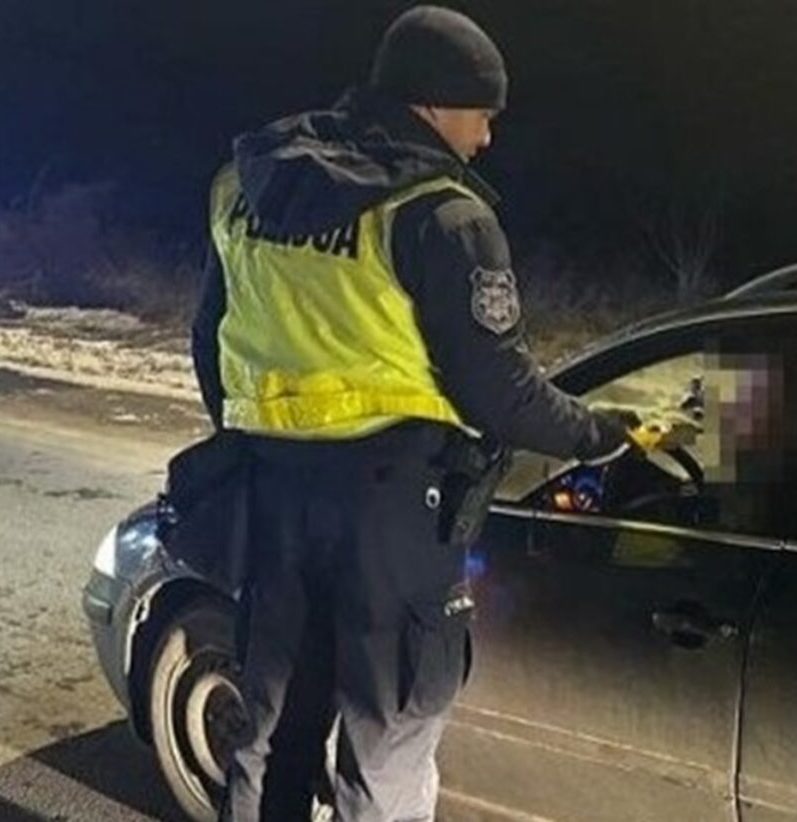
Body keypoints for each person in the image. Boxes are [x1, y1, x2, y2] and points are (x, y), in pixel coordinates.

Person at [190, 6, 638, 821]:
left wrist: (258, 435)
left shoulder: (245, 185)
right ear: (431, 104)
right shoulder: (441, 215)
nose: (486, 137)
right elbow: (499, 391)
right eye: (481, 114)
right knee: (388, 737)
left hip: (272, 495)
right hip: (389, 515)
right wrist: (600, 435)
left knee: (273, 726)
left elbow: (209, 339)